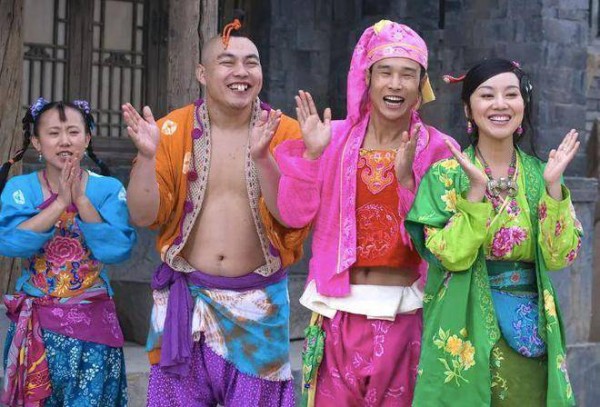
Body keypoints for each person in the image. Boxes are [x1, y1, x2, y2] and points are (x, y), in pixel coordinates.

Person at [122, 17, 307, 407]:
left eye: (251, 62)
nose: (241, 72)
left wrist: (264, 158)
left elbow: (292, 217)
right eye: (227, 62)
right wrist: (147, 157)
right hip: (187, 301)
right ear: (202, 73)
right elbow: (142, 216)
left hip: (259, 306)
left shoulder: (286, 132)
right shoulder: (171, 130)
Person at [274, 20, 458, 406]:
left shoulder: (439, 149)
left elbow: (444, 242)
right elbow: (293, 216)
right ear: (368, 79)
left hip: (407, 316)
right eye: (385, 72)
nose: (395, 84)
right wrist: (311, 156)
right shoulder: (333, 138)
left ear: (421, 85)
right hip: (337, 314)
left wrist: (407, 182)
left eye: (407, 74)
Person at [405, 58, 581, 406]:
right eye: (487, 95)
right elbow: (448, 257)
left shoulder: (541, 175)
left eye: (511, 94)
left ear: (523, 105)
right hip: (464, 328)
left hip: (529, 334)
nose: (500, 104)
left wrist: (553, 189)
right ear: (468, 109)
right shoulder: (444, 176)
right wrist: (475, 194)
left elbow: (560, 257)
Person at [0, 98, 136, 407]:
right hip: (37, 327)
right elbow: (9, 242)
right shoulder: (20, 188)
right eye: (53, 133)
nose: (65, 141)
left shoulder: (108, 189)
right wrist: (61, 203)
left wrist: (81, 201)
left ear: (87, 139)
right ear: (37, 142)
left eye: (74, 132)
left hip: (94, 327)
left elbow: (118, 248)